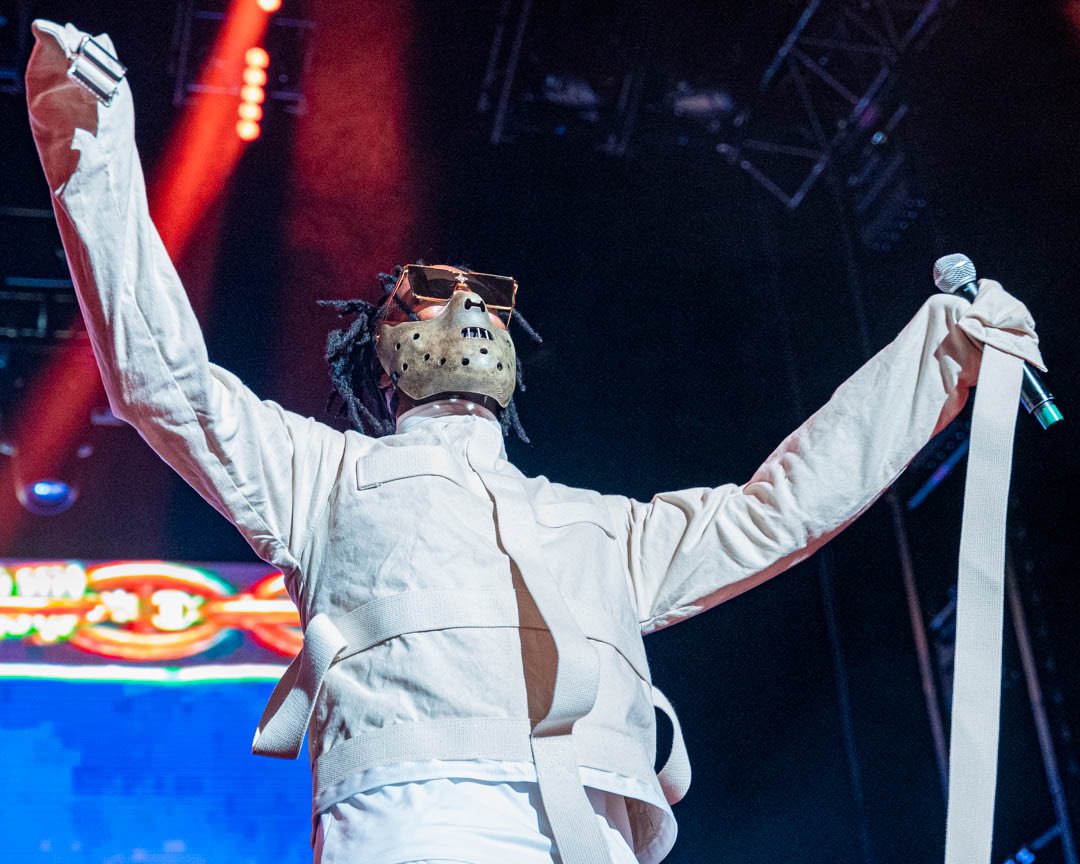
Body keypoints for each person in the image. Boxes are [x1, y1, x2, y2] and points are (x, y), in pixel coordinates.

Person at [25, 20, 1043, 864]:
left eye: (485, 303)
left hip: (589, 832)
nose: (466, 311)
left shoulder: (594, 527)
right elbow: (162, 380)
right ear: (383, 352)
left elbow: (781, 505)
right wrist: (91, 149)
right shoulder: (322, 475)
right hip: (410, 825)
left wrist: (937, 362)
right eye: (432, 298)